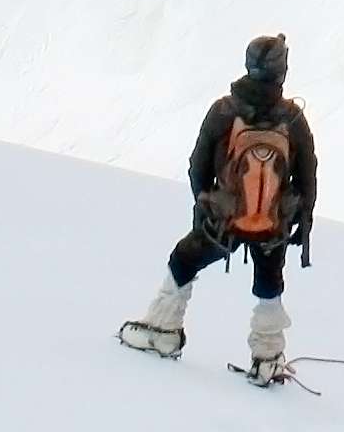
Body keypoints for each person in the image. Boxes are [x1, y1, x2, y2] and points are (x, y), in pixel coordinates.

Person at [121, 32, 319, 384]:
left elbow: (198, 165)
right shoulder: (292, 119)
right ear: (281, 72)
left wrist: (205, 203)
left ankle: (164, 329)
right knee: (269, 284)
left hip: (223, 220)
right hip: (272, 225)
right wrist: (299, 220)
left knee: (183, 259)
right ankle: (267, 358)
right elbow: (307, 175)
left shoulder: (223, 112)